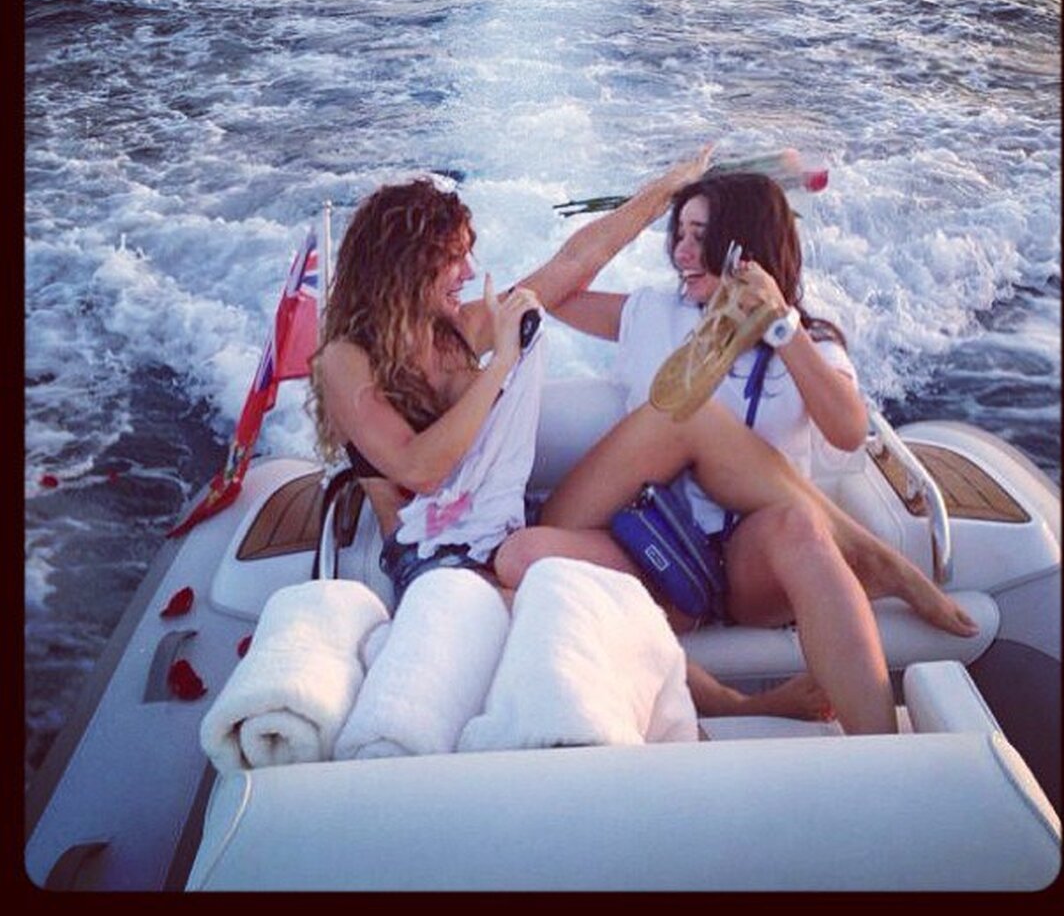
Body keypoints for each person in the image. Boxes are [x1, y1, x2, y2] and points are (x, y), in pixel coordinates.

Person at [310, 159, 829, 724]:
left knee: (609, 588)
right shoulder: (345, 359)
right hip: (434, 558)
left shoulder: (457, 331)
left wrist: (660, 194)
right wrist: (502, 362)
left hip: (504, 522)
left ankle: (722, 660)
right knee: (571, 613)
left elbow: (573, 264)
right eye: (453, 257)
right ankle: (733, 705)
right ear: (408, 263)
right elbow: (420, 469)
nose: (468, 271)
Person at [496, 170, 979, 735]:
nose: (682, 253)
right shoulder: (649, 313)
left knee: (798, 524)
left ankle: (887, 756)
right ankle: (858, 560)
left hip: (750, 565)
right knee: (523, 553)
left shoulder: (809, 343)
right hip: (648, 547)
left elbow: (850, 432)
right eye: (678, 234)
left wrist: (781, 326)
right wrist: (652, 201)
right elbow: (546, 292)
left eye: (701, 237)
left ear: (744, 247)